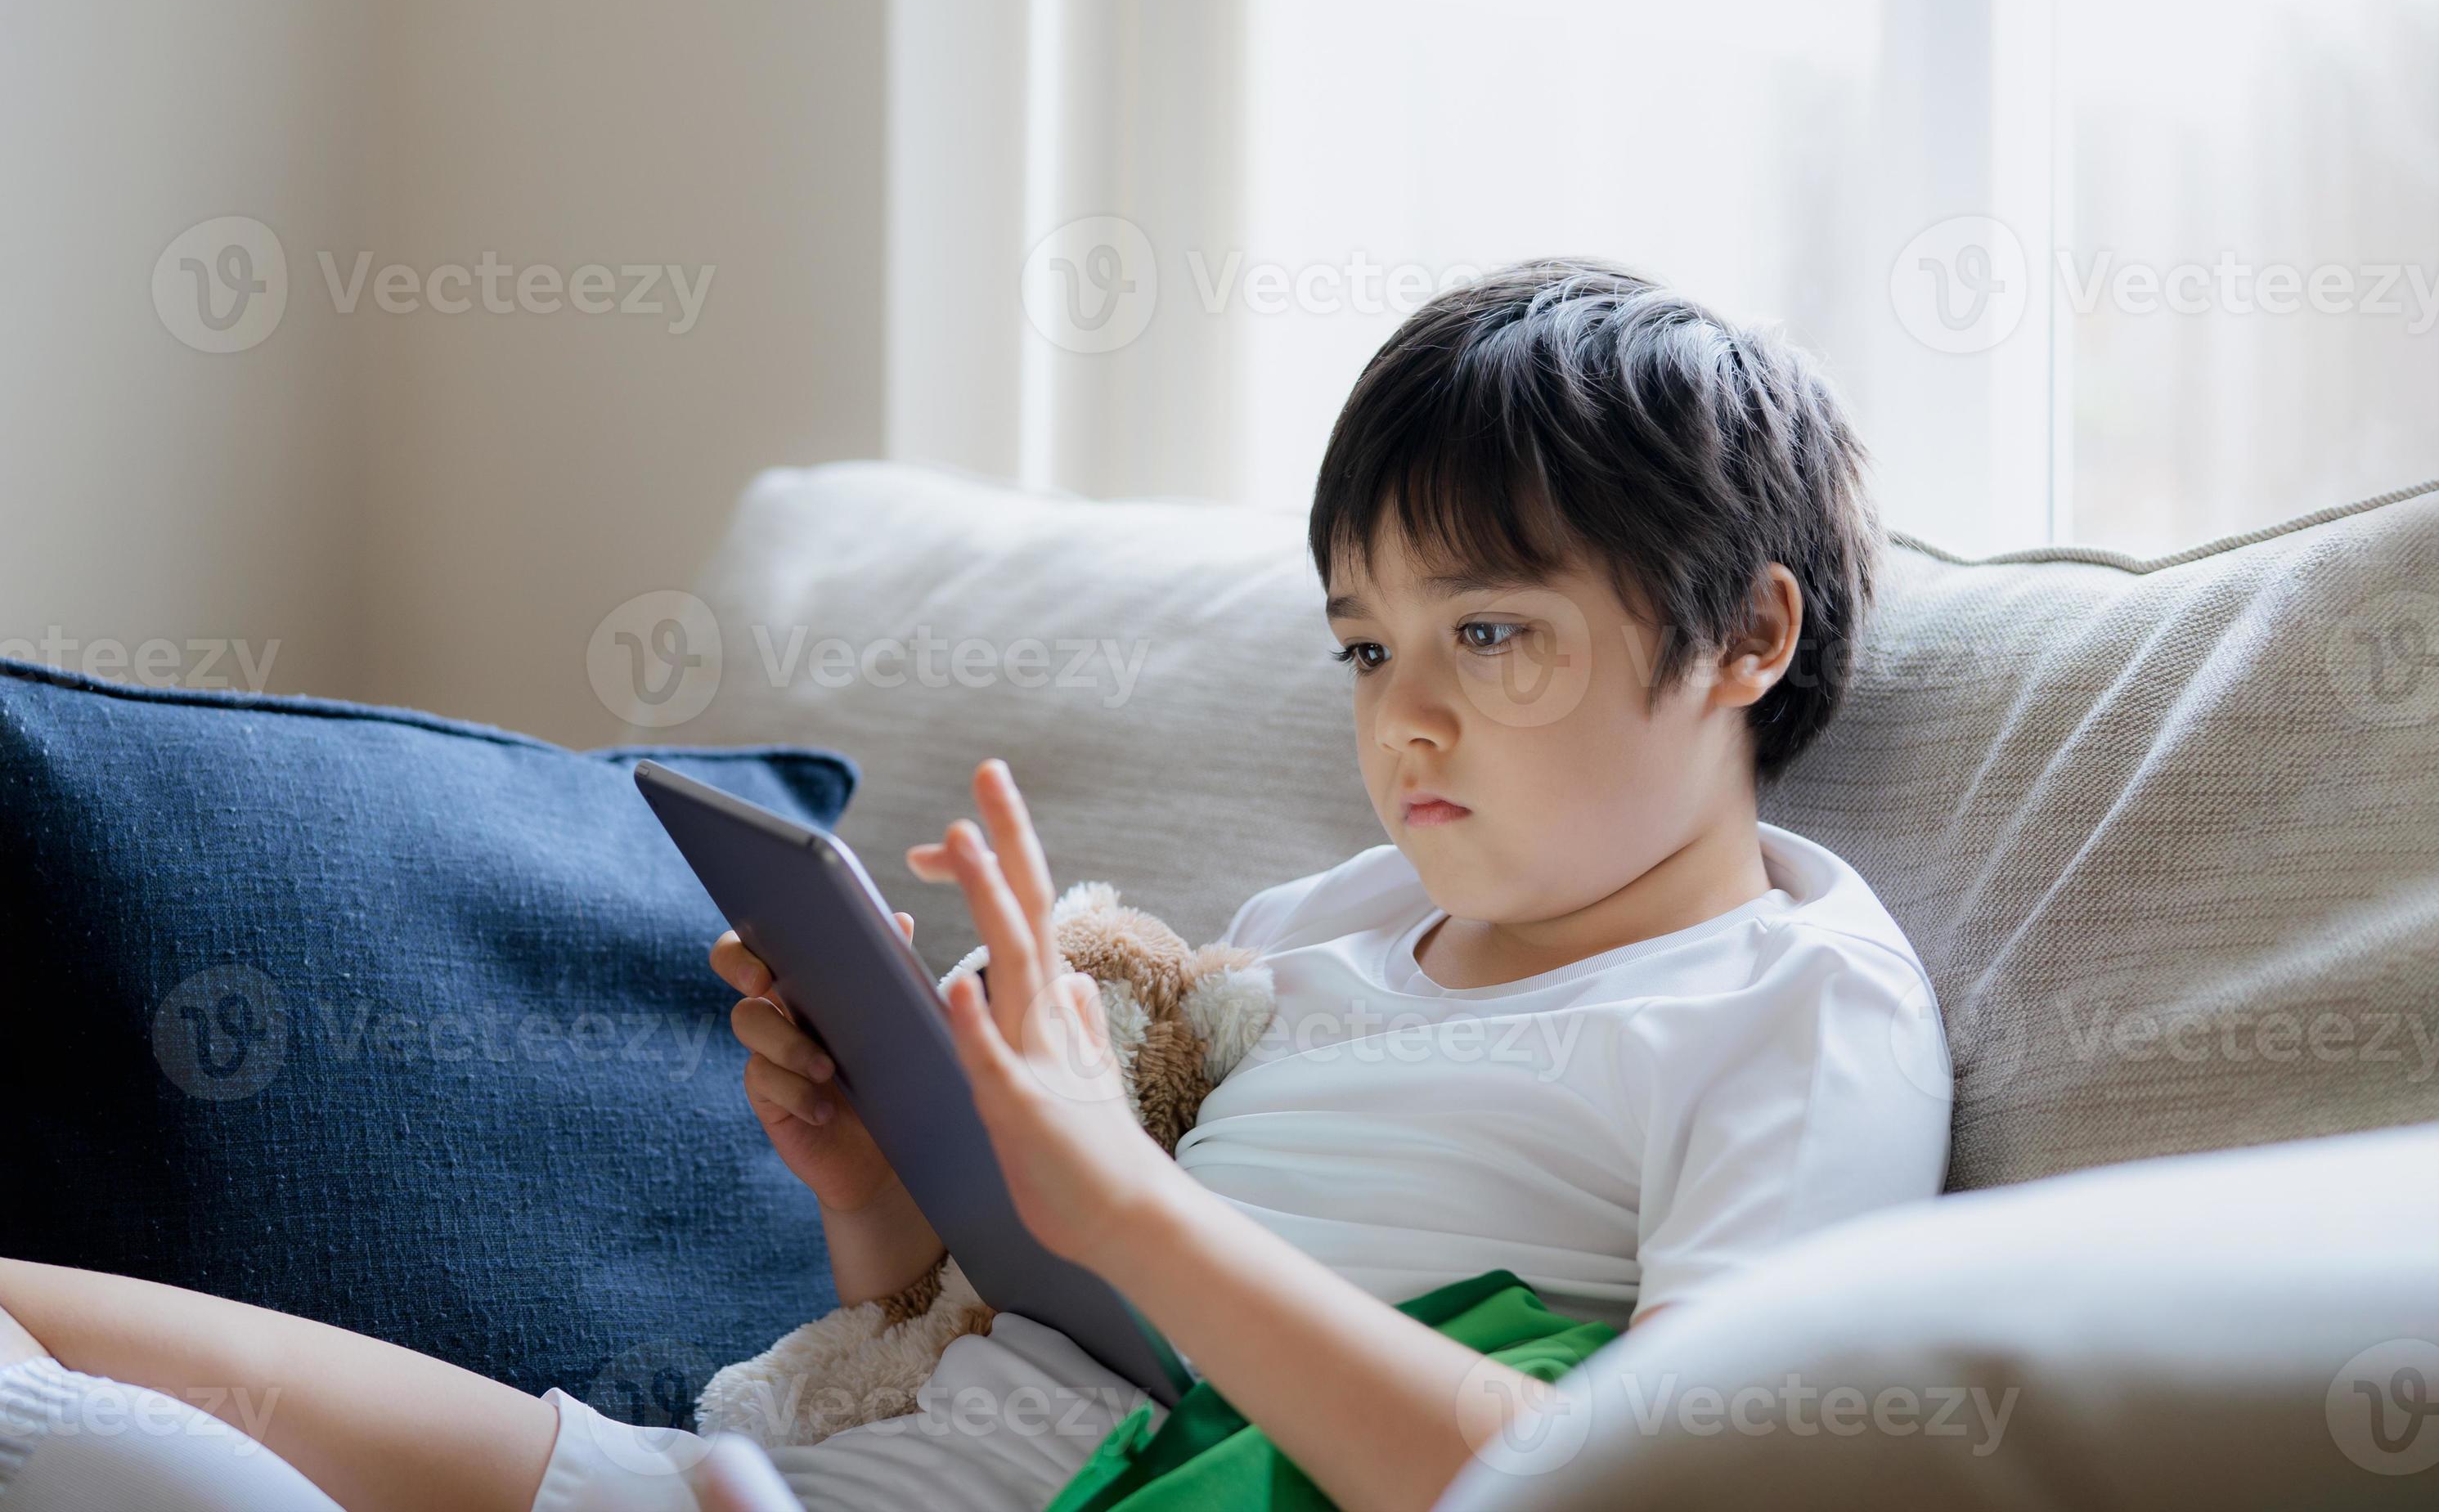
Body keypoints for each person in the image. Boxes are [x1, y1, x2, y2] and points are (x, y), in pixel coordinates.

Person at [0, 260, 1951, 1512]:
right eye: (1366, 647)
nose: (1407, 721)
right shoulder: (1329, 928)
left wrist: (1117, 1192)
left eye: (1494, 635)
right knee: (41, 1336)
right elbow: (1043, 1321)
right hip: (814, 1467)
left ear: (1747, 635)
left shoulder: (1794, 1007)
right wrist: (878, 1189)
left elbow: (1640, 1491)